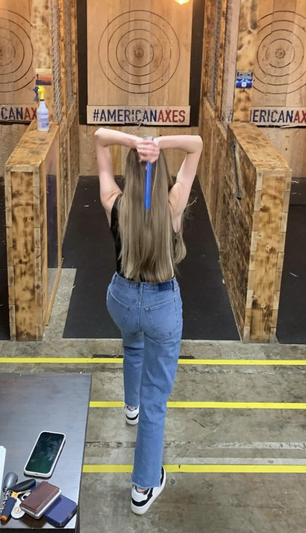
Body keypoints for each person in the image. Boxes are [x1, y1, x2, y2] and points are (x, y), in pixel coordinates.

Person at [95, 128, 203, 515]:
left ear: (130, 169)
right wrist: (160, 145)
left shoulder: (115, 203)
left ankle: (129, 406)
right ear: (161, 171)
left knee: (131, 343)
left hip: (121, 301)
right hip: (160, 307)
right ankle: (143, 487)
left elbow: (98, 138)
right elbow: (197, 146)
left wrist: (133, 146)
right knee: (157, 402)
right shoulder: (174, 203)